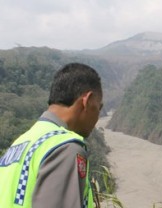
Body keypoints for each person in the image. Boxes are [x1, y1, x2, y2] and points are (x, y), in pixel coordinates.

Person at [0, 63, 103, 208]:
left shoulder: (21, 144)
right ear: (87, 101)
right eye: (99, 107)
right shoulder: (65, 148)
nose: (98, 116)